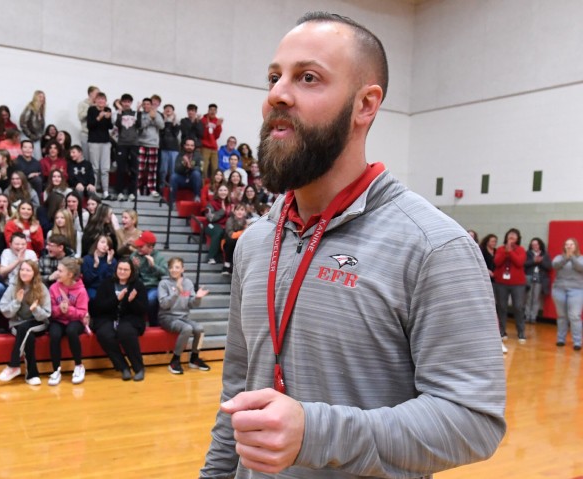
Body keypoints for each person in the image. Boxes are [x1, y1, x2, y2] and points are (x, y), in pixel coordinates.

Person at [201, 12, 505, 479]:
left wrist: (315, 434)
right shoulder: (257, 241)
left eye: (307, 77)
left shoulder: (433, 247)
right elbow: (237, 395)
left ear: (365, 104)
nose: (277, 94)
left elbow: (472, 422)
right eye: (273, 77)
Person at [89, 258, 147, 381]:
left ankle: (139, 368)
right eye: (120, 269)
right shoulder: (106, 284)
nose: (122, 272)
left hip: (130, 318)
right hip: (107, 317)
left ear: (131, 271)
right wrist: (117, 299)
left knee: (125, 332)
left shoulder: (138, 285)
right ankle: (123, 367)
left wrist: (131, 301)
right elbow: (98, 307)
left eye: (126, 269)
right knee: (104, 334)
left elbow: (142, 310)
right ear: (116, 270)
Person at [0, 260, 51, 385]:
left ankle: (14, 365)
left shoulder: (42, 288)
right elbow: (4, 311)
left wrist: (35, 309)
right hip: (18, 324)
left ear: (34, 273)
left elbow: (47, 314)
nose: (24, 272)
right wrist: (17, 302)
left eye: (28, 270)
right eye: (22, 269)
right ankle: (31, 375)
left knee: (26, 329)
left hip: (38, 323)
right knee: (28, 336)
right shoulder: (13, 287)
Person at [157, 257, 210, 374]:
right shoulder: (163, 283)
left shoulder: (188, 283)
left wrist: (197, 298)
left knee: (200, 329)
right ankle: (175, 360)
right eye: (171, 267)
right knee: (187, 328)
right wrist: (177, 291)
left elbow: (192, 304)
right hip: (167, 317)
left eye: (177, 267)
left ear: (182, 269)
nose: (173, 270)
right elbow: (164, 305)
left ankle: (194, 358)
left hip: (183, 317)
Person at [47, 257, 89, 386]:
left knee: (71, 331)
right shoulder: (53, 288)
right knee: (54, 334)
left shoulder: (81, 290)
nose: (56, 273)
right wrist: (59, 310)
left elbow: (82, 312)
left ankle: (78, 365)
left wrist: (68, 310)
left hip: (75, 320)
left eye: (60, 271)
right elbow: (50, 311)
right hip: (58, 319)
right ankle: (56, 370)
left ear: (70, 275)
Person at [494, 228, 527, 342]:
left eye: (514, 235)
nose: (512, 236)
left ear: (518, 238)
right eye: (510, 235)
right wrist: (505, 251)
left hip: (517, 284)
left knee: (518, 307)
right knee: (502, 307)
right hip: (501, 283)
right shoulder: (500, 249)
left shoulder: (521, 249)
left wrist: (510, 252)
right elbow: (497, 262)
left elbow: (519, 262)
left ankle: (521, 332)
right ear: (506, 237)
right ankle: (502, 331)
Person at [552, 238, 583, 350]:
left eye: (571, 244)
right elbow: (555, 266)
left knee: (575, 316)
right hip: (559, 289)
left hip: (577, 290)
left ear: (576, 246)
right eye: (567, 244)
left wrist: (572, 257)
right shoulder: (559, 257)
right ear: (564, 247)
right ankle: (561, 339)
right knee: (562, 316)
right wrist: (566, 258)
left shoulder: (580, 258)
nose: (569, 246)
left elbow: (580, 268)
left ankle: (577, 342)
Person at [130, 230, 167, 326]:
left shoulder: (159, 257)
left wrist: (153, 265)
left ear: (150, 247)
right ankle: (137, 323)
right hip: (138, 285)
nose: (138, 248)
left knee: (151, 299)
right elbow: (130, 277)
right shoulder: (134, 256)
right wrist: (135, 268)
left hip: (153, 286)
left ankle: (153, 323)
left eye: (141, 246)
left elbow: (165, 273)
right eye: (138, 245)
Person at [87, 92, 113, 197]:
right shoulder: (92, 110)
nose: (101, 101)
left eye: (103, 99)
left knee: (105, 168)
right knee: (95, 168)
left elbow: (110, 127)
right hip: (94, 141)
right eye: (99, 99)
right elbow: (90, 125)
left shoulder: (108, 110)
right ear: (95, 100)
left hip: (106, 142)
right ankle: (94, 189)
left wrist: (108, 117)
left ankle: (106, 191)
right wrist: (99, 117)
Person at [136, 98, 164, 198]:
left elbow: (161, 126)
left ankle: (152, 189)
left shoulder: (158, 114)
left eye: (148, 104)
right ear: (143, 106)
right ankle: (137, 188)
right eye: (144, 104)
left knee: (152, 169)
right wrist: (149, 118)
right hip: (142, 143)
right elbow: (139, 126)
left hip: (153, 145)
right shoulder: (140, 114)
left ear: (151, 105)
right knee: (140, 168)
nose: (146, 106)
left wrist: (154, 117)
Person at [115, 93, 139, 202]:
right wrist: (120, 112)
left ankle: (132, 192)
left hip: (133, 144)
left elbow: (139, 125)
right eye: (124, 101)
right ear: (121, 102)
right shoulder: (119, 112)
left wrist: (138, 112)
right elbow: (117, 125)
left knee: (134, 169)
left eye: (128, 102)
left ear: (131, 103)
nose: (126, 104)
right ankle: (119, 192)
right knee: (121, 169)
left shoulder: (135, 113)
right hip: (122, 144)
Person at [523, 237, 552, 323]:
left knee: (536, 298)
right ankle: (527, 316)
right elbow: (524, 264)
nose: (535, 246)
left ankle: (533, 317)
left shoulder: (545, 254)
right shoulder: (527, 253)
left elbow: (549, 267)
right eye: (533, 245)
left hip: (540, 278)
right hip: (529, 277)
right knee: (528, 297)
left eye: (536, 244)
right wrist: (534, 261)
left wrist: (541, 261)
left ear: (540, 245)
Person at [82, 234, 117, 299]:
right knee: (94, 297)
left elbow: (111, 280)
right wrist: (95, 266)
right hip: (92, 288)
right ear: (96, 243)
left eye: (108, 244)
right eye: (102, 242)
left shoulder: (112, 260)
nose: (105, 245)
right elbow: (87, 280)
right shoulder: (87, 259)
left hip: (106, 289)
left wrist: (109, 263)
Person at [204, 184, 231, 264]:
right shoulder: (211, 203)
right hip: (212, 226)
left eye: (225, 190)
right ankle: (210, 257)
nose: (223, 192)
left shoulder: (230, 204)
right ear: (217, 192)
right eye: (221, 190)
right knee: (218, 232)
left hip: (226, 226)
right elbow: (210, 218)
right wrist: (222, 211)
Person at [170, 138, 203, 203]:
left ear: (194, 147)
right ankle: (172, 201)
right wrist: (184, 165)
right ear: (184, 146)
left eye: (191, 145)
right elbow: (176, 169)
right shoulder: (180, 155)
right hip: (183, 180)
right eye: (187, 145)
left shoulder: (199, 156)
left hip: (193, 181)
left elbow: (201, 169)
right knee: (173, 176)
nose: (189, 147)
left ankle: (197, 197)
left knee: (196, 173)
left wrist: (190, 166)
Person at [222, 203, 248, 274]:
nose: (239, 212)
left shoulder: (246, 221)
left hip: (240, 243)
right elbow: (231, 235)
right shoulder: (230, 220)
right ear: (234, 211)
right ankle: (226, 265)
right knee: (232, 242)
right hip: (228, 242)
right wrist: (244, 230)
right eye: (237, 210)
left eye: (242, 210)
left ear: (245, 212)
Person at [20, 90, 46, 158]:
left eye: (43, 97)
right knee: (27, 156)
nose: (42, 99)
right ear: (35, 97)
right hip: (27, 136)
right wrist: (30, 135)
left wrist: (40, 135)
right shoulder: (30, 108)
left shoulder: (41, 111)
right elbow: (23, 123)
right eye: (40, 97)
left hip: (36, 137)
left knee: (38, 157)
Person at [201, 104, 223, 179]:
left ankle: (214, 185)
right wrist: (207, 126)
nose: (212, 112)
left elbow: (216, 136)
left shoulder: (217, 121)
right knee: (204, 168)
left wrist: (218, 126)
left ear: (216, 111)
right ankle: (203, 186)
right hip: (205, 147)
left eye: (214, 110)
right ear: (208, 110)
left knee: (215, 168)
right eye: (211, 110)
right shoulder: (203, 120)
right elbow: (201, 134)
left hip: (214, 148)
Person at [78, 86, 100, 160]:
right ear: (90, 93)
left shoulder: (99, 105)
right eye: (97, 93)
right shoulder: (82, 104)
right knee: (87, 157)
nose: (98, 95)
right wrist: (91, 108)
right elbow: (81, 117)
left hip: (97, 134)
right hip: (86, 134)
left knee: (96, 158)